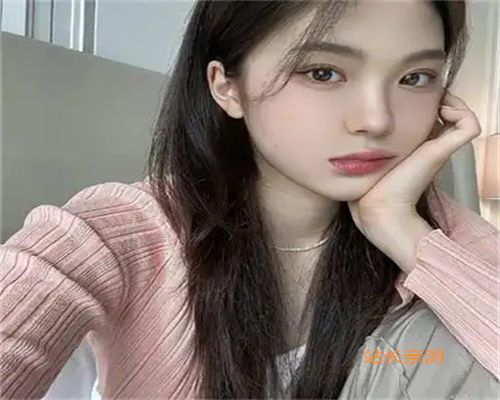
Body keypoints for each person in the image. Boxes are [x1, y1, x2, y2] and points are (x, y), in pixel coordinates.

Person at [1, 0, 498, 399]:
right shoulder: (119, 234)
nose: (376, 120)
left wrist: (402, 230)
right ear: (227, 87)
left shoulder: (436, 231)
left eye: (415, 78)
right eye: (323, 72)